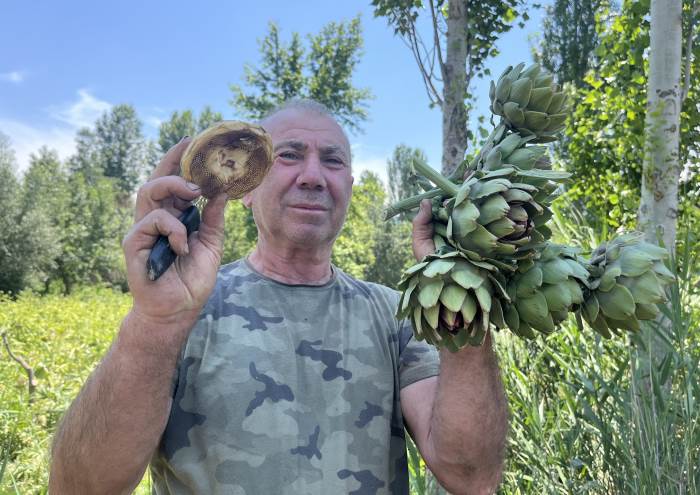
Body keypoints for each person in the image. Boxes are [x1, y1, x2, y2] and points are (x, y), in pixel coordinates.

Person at [49, 100, 508, 494]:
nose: (313, 176)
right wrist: (156, 322)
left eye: (333, 161)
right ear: (245, 189)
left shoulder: (397, 315)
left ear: (349, 188)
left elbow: (471, 477)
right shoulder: (187, 312)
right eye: (289, 155)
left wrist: (459, 298)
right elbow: (80, 486)